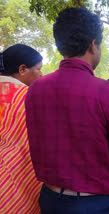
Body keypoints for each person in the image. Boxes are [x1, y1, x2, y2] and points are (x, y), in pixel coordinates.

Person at [25, 8, 109, 214]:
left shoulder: (35, 90)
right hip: (98, 203)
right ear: (93, 45)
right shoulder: (108, 93)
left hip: (52, 200)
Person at [0, 44, 43, 214]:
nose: (40, 74)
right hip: (15, 188)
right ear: (23, 69)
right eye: (39, 69)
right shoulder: (27, 99)